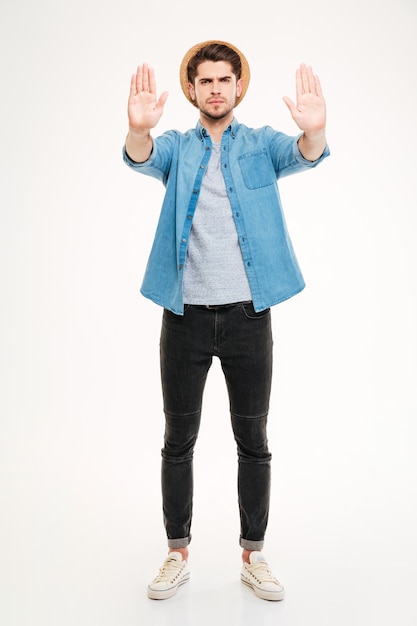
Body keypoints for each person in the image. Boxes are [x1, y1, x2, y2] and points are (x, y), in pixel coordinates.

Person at [123, 40, 329, 602]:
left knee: (254, 440)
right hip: (184, 317)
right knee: (177, 440)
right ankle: (176, 552)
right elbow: (141, 156)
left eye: (224, 80)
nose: (215, 89)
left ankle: (253, 554)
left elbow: (305, 153)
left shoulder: (261, 145)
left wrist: (314, 131)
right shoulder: (176, 148)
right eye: (205, 81)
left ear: (238, 87)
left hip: (248, 318)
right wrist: (139, 129)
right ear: (192, 89)